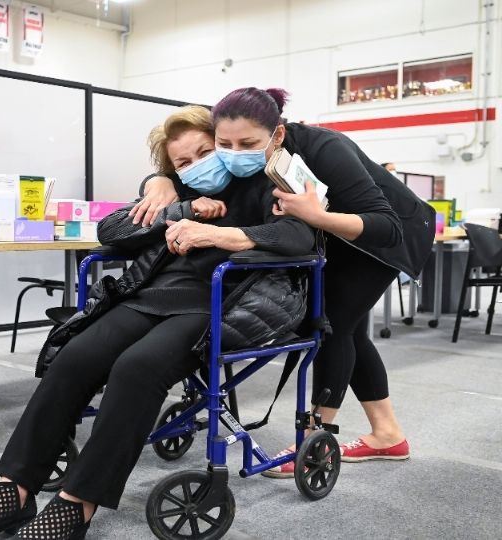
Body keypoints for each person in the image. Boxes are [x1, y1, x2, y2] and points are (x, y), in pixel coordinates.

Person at [0, 106, 314, 539]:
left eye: (207, 151)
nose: (199, 164)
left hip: (218, 302)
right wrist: (178, 207)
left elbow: (300, 237)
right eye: (182, 161)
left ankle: (76, 504)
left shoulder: (268, 184)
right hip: (148, 296)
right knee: (74, 359)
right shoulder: (175, 190)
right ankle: (14, 490)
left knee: (137, 369)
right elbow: (111, 231)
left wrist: (218, 234)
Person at [144, 88, 433, 475]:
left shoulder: (325, 148)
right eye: (223, 144)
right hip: (329, 235)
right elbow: (188, 163)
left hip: (383, 237)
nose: (232, 153)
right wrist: (159, 180)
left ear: (277, 135)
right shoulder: (238, 152)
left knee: (332, 324)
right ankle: (387, 434)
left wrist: (319, 217)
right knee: (351, 332)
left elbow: (386, 226)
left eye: (247, 144)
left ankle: (315, 438)